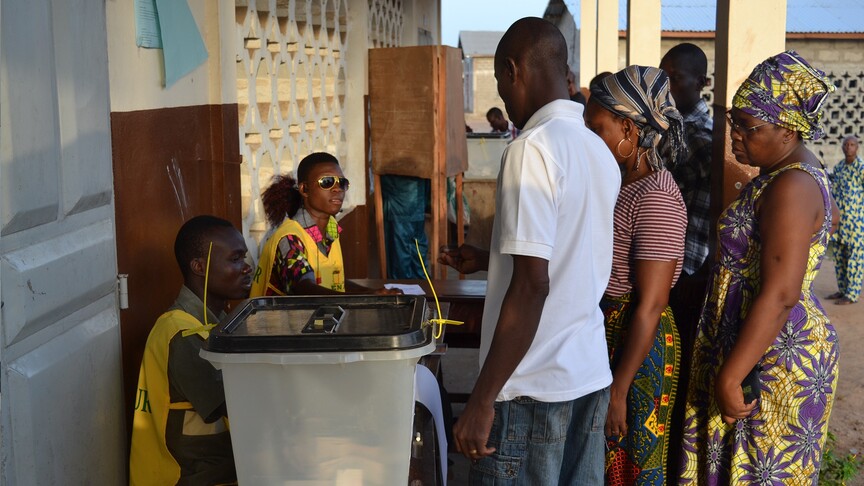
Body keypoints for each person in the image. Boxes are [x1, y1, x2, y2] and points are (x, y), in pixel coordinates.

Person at [438, 17, 620, 483]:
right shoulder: (598, 149)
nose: (501, 96)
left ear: (513, 70)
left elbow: (533, 284)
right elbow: (569, 254)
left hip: (530, 389)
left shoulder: (531, 150)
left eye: (499, 82)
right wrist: (490, 257)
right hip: (588, 376)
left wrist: (481, 398)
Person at [679, 50, 839, 484]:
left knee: (756, 471)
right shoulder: (783, 175)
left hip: (773, 357)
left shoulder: (792, 186)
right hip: (759, 344)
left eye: (749, 128)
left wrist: (731, 373)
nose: (735, 137)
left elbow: (782, 291)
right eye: (734, 123)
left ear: (788, 129)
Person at [585, 65, 688, 485]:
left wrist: (619, 388)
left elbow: (651, 303)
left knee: (630, 467)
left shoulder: (657, 195)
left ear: (629, 128)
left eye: (598, 128)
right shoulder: (620, 184)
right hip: (611, 336)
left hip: (636, 350)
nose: (590, 139)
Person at [130, 215, 252, 485]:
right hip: (187, 478)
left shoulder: (214, 322)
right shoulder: (181, 333)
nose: (247, 268)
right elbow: (242, 406)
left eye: (244, 258)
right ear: (199, 266)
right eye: (236, 259)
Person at [658, 42, 713, 480]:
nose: (668, 86)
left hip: (687, 271)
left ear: (702, 84)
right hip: (675, 267)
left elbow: (655, 172)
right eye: (665, 76)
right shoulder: (674, 127)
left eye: (676, 78)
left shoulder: (698, 137)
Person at [252, 152, 396, 295]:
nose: (337, 189)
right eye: (327, 182)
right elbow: (304, 290)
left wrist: (375, 293)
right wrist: (368, 296)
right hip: (274, 318)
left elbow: (334, 283)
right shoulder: (289, 238)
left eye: (342, 183)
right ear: (304, 189)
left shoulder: (331, 228)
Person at [827, 135, 864, 305]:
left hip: (856, 224)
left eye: (852, 145)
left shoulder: (861, 167)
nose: (849, 147)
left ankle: (852, 294)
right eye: (846, 144)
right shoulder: (840, 167)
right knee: (840, 257)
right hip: (841, 223)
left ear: (857, 147)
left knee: (854, 258)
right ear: (842, 147)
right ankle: (842, 290)